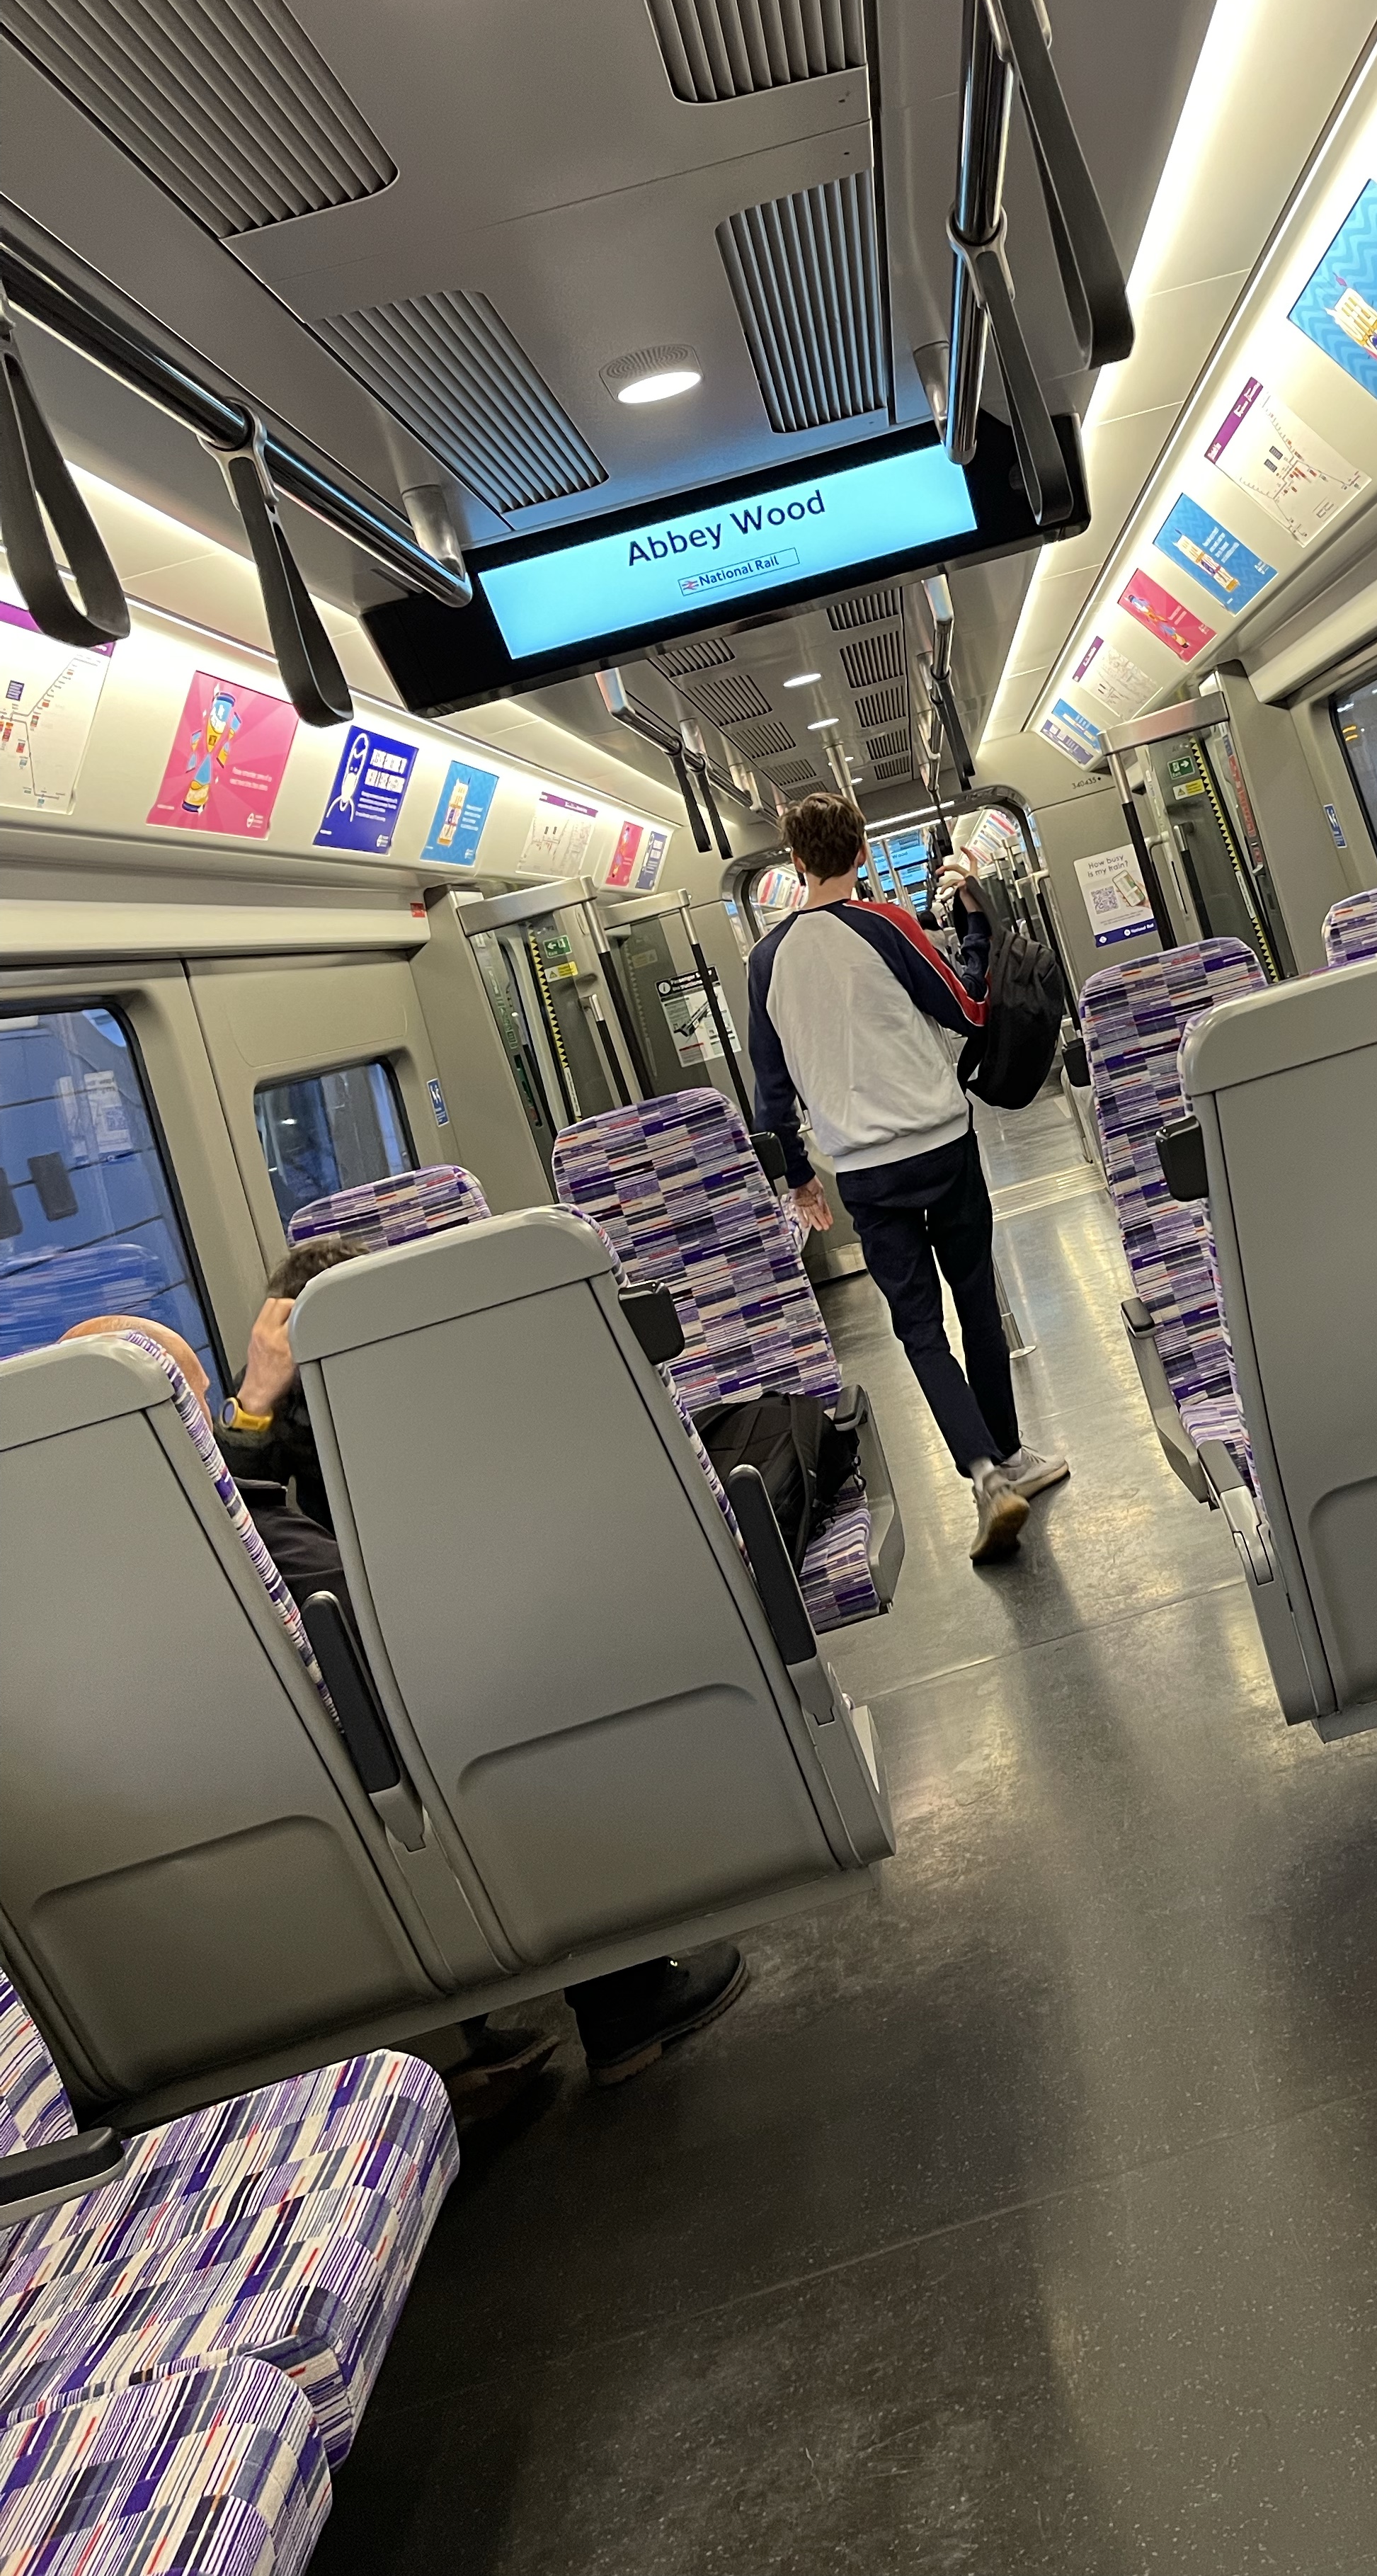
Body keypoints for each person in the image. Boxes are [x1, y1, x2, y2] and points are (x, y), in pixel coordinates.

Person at [68, 1277, 749, 2097]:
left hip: (183, 1845)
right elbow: (390, 1643)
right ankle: (627, 2002)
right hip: (357, 1792)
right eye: (199, 1407)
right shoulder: (255, 1543)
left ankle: (452, 2051)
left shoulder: (64, 1590)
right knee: (511, 1697)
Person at [746, 790, 1067, 1563]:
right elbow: (970, 1010)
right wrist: (976, 932)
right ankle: (1011, 1453)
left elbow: (770, 1088)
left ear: (796, 862)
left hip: (863, 1171)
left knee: (918, 1328)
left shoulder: (765, 961)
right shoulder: (886, 925)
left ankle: (985, 1474)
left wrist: (800, 1178)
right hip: (942, 1147)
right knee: (976, 1301)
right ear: (862, 853)